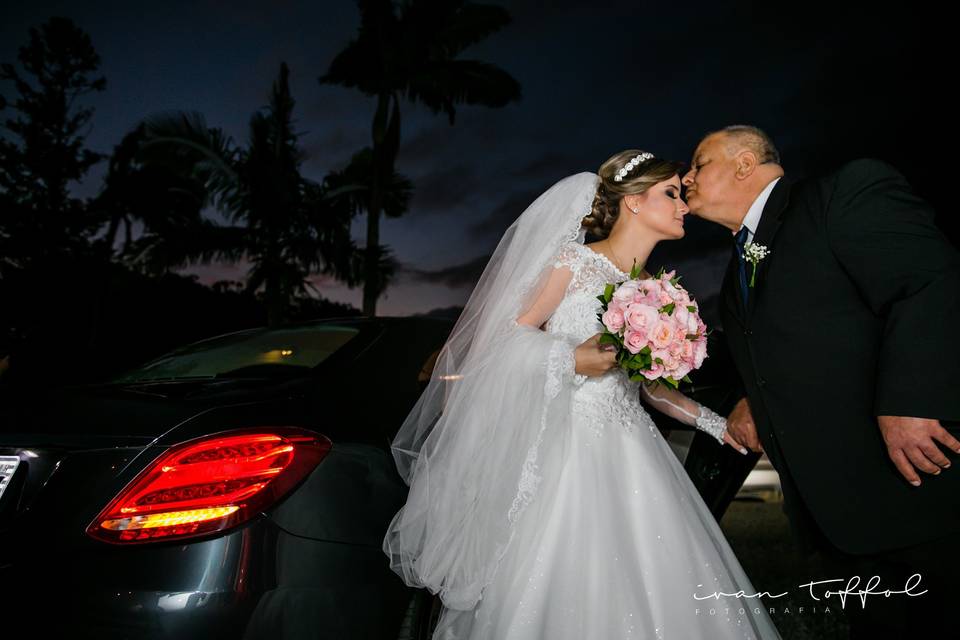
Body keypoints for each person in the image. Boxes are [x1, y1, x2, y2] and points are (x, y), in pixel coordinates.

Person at [382, 151, 782, 639]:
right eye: (671, 193)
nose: (684, 205)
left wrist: (720, 426)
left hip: (631, 446)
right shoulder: (574, 262)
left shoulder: (650, 289)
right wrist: (568, 359)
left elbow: (648, 387)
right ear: (633, 202)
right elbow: (499, 340)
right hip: (562, 448)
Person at [682, 125, 960, 638]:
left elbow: (929, 281)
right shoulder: (736, 268)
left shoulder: (838, 196)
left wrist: (913, 399)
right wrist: (746, 396)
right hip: (836, 511)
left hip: (912, 482)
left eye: (699, 164)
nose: (686, 177)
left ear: (745, 163)